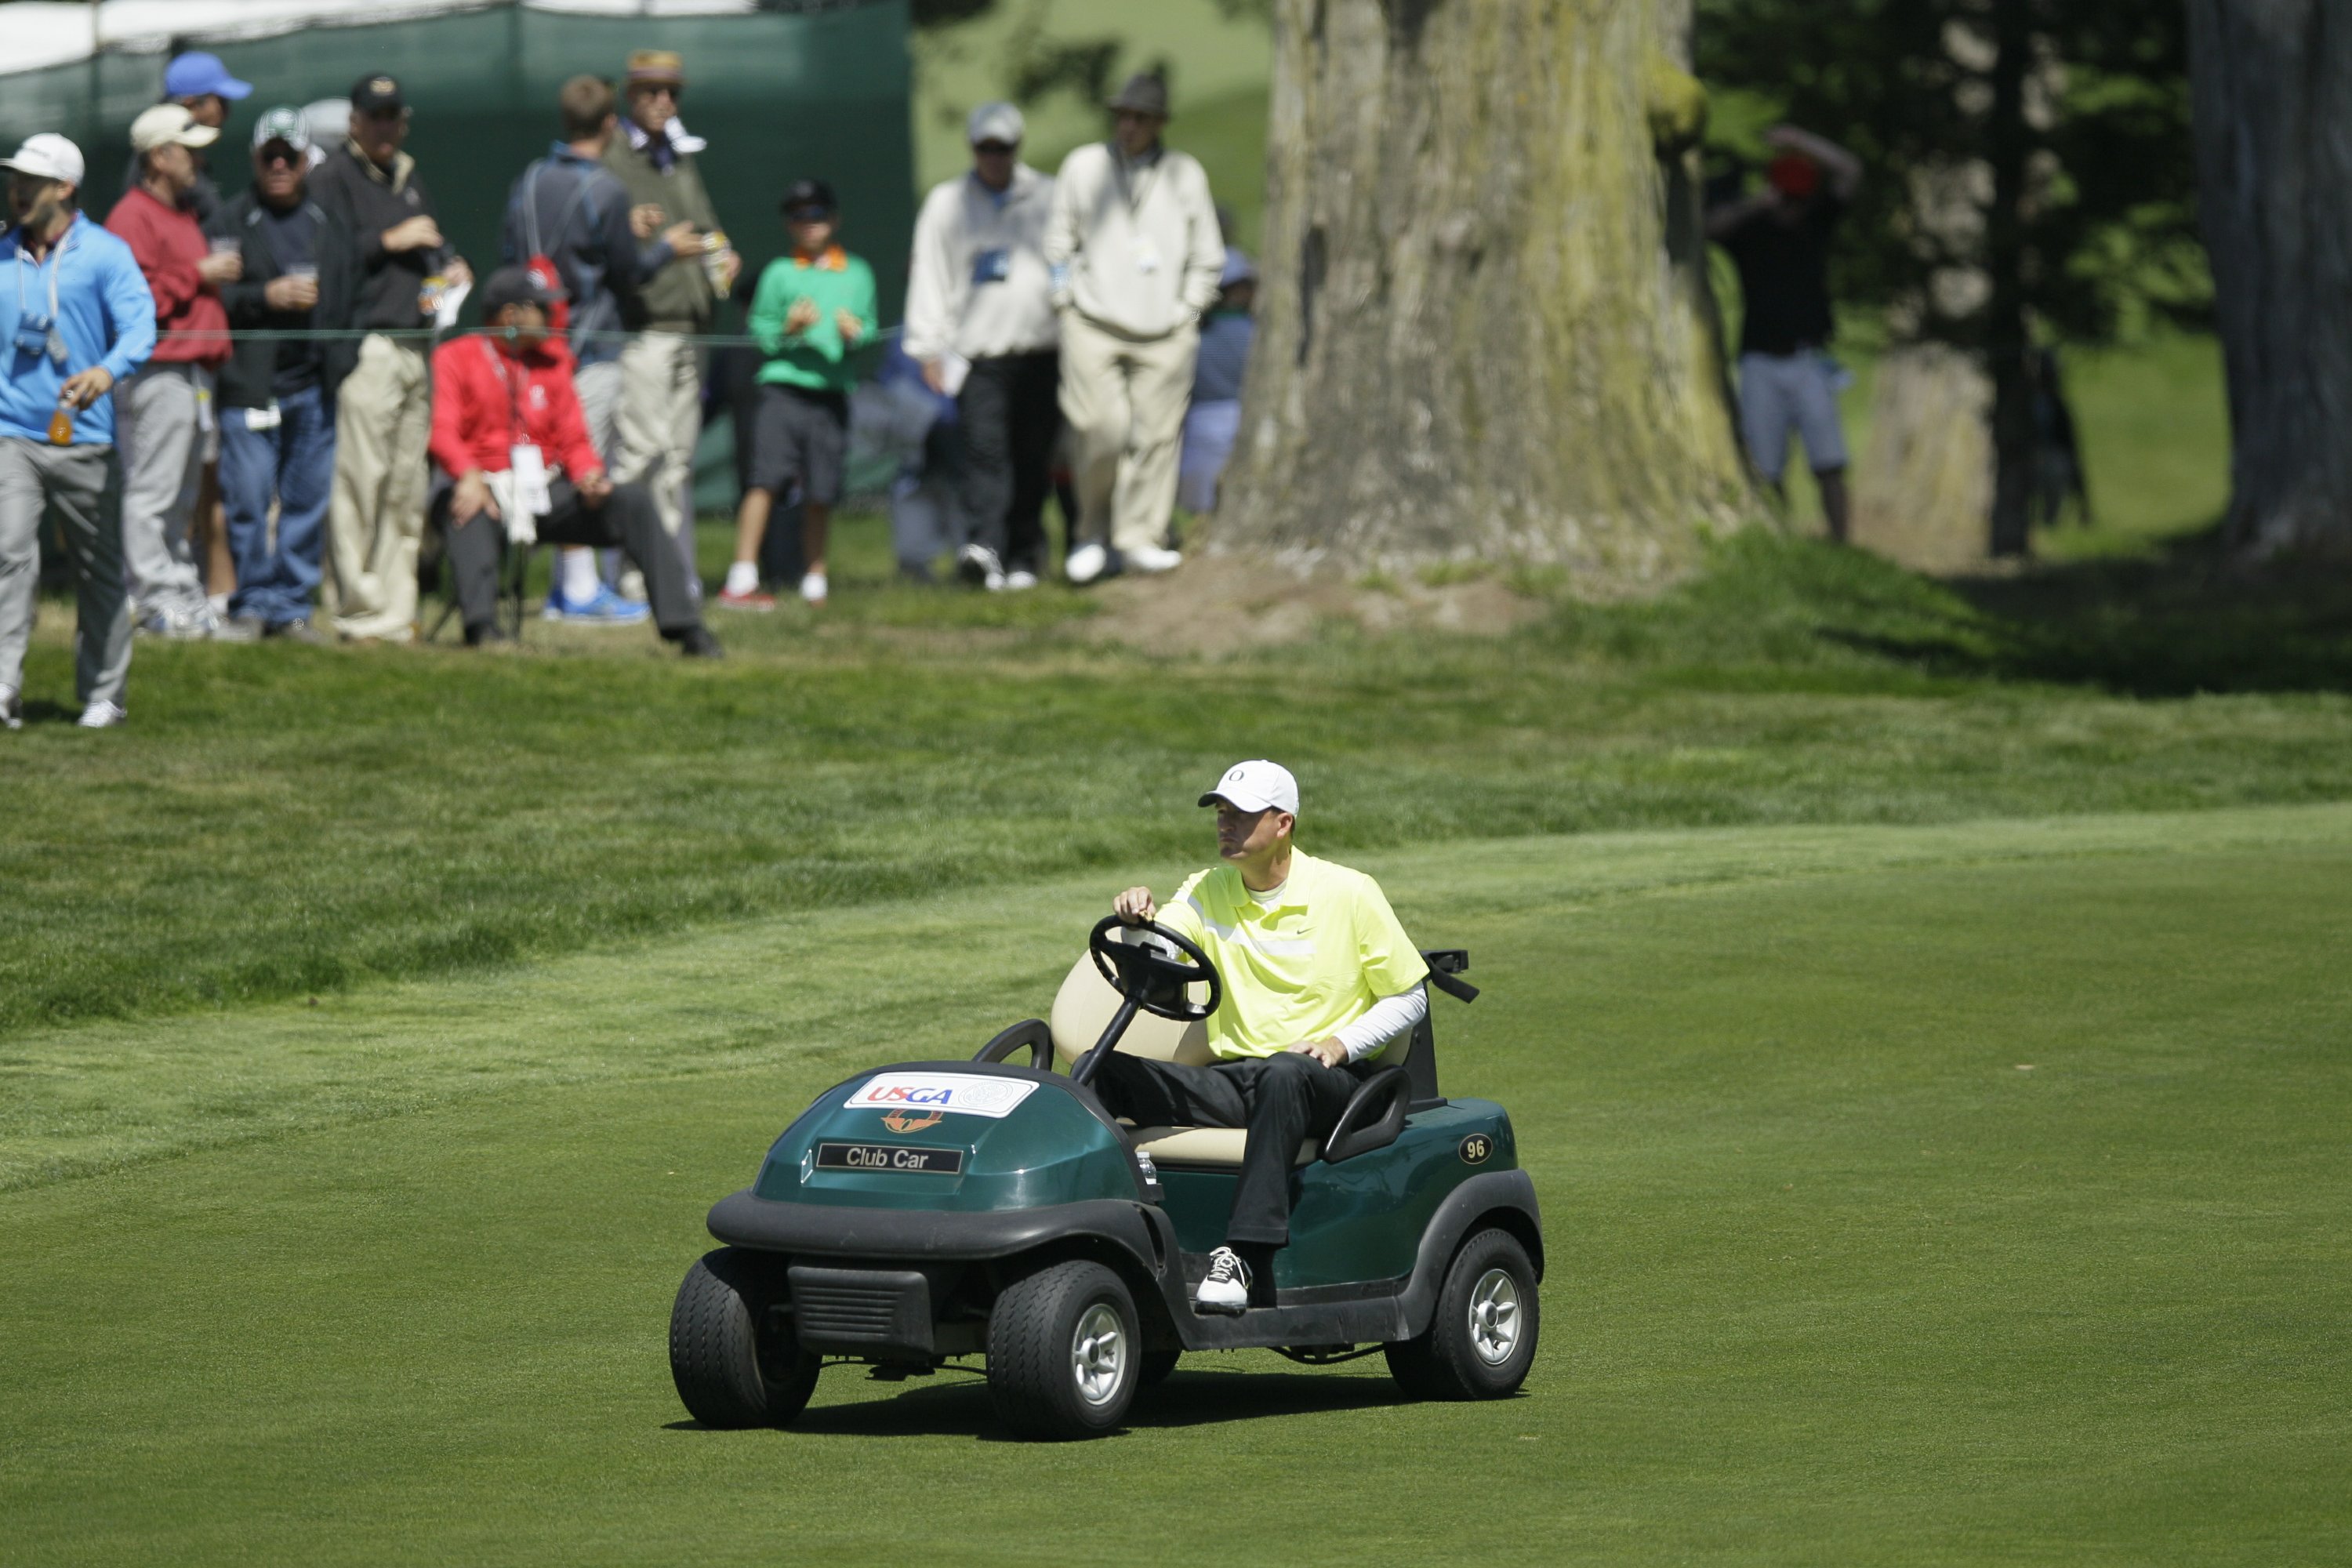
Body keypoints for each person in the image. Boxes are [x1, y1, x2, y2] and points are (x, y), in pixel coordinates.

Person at [1085, 760, 1431, 1313]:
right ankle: (1094, 1233)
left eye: (1242, 817)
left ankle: (1244, 1254)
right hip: (1242, 1079)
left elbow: (1411, 996)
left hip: (1332, 1082)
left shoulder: (1348, 892)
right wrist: (1136, 923)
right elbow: (1162, 955)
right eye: (1222, 814)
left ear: (1284, 824)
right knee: (1102, 1073)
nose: (1227, 826)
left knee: (1284, 1072)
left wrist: (1342, 1043)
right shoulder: (1207, 888)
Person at [426, 267, 720, 659]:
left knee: (632, 501)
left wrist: (589, 476)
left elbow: (574, 440)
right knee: (465, 510)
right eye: (541, 309)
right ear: (509, 316)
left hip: (543, 487)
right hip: (484, 484)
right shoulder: (455, 356)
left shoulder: (554, 362)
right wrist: (468, 476)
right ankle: (481, 628)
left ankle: (687, 628)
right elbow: (442, 431)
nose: (553, 318)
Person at [0, 134, 155, 731]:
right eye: (16, 180)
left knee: (99, 571)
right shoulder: (2, 252)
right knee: (9, 555)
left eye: (31, 182)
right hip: (13, 435)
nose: (17, 191)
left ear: (65, 189)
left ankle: (103, 694)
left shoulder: (107, 254)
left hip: (85, 439)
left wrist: (105, 371)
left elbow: (141, 327)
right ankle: (5, 687)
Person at [1043, 73, 1224, 585]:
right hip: (1093, 322)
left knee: (1156, 437)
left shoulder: (1184, 174)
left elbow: (1207, 255)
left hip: (1165, 328)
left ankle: (1140, 537)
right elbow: (1059, 241)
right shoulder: (1084, 166)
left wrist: (1187, 311)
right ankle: (1091, 533)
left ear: (1160, 123)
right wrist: (1065, 301)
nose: (1129, 126)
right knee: (1101, 429)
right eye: (1122, 115)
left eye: (1140, 117)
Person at [311, 73, 471, 641]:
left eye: (393, 116)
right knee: (361, 481)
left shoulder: (407, 175)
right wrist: (387, 241)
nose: (385, 126)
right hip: (368, 346)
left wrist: (450, 269)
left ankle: (397, 607)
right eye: (374, 116)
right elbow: (328, 262)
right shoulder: (332, 178)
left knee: (406, 485)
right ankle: (356, 608)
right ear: (355, 121)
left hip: (417, 342)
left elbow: (431, 245)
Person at [502, 73, 662, 626]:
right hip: (589, 349)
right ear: (611, 124)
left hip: (532, 350)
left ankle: (564, 586)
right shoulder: (608, 190)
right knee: (581, 463)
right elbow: (628, 271)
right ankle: (577, 590)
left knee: (546, 460)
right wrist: (666, 248)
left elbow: (509, 257)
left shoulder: (527, 180)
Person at [904, 101, 1059, 592]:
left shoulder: (1049, 196)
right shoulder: (947, 203)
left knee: (1033, 457)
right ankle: (984, 549)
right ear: (973, 148)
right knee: (985, 456)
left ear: (1018, 147)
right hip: (979, 353)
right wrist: (928, 346)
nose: (995, 157)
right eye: (986, 148)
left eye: (1004, 148)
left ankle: (1025, 554)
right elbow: (930, 274)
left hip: (1042, 348)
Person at [603, 49, 739, 593]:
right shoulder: (613, 157)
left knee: (678, 461)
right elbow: (606, 239)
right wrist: (655, 241)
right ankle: (627, 573)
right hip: (644, 327)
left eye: (672, 92)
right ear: (630, 95)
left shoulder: (678, 155)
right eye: (652, 91)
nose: (663, 101)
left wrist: (722, 253)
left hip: (693, 325)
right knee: (639, 455)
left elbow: (706, 226)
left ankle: (665, 573)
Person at [106, 104, 240, 640]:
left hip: (192, 373)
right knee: (153, 491)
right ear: (160, 157)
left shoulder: (181, 211)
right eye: (189, 150)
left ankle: (178, 590)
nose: (198, 161)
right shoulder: (131, 216)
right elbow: (133, 299)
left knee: (183, 494)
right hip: (158, 370)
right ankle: (150, 600)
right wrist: (197, 274)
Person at [722, 178, 877, 610]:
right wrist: (789, 330)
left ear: (834, 219)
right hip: (781, 391)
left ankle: (815, 575)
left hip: (830, 391)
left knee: (822, 489)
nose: (809, 224)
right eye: (798, 216)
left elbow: (866, 329)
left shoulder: (858, 272)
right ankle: (743, 573)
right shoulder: (778, 273)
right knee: (763, 479)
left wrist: (854, 335)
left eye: (817, 214)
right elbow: (762, 334)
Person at [210, 107, 333, 642]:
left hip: (313, 383)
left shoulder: (327, 221)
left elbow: (349, 289)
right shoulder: (231, 219)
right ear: (255, 160)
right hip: (251, 386)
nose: (280, 165)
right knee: (250, 498)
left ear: (307, 160)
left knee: (307, 500)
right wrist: (268, 295)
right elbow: (216, 298)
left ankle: (292, 605)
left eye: (291, 156)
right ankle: (252, 602)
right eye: (270, 156)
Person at [1707, 125, 1864, 543]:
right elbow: (1711, 227)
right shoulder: (1751, 230)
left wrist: (1800, 140)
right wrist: (1758, 205)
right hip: (1759, 359)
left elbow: (1850, 170)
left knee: (1829, 459)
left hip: (1808, 358)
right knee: (1764, 464)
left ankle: (1840, 542)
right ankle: (1777, 538)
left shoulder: (1815, 223)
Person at [119, 52, 252, 230]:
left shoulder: (176, 152)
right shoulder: (161, 160)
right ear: (191, 104)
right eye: (222, 101)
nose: (227, 112)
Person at [1176, 247, 1255, 515]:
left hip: (1206, 424)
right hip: (1214, 422)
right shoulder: (1251, 328)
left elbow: (1190, 319)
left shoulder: (1196, 328)